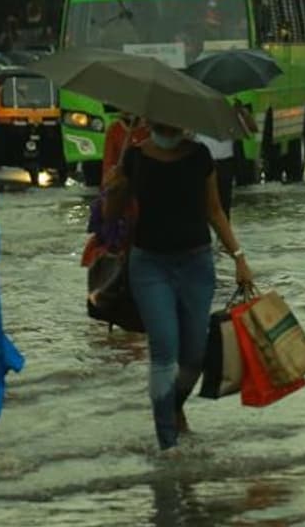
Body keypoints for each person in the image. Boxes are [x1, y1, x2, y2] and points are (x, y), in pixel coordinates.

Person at [104, 122, 253, 450]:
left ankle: (171, 407)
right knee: (164, 350)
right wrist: (113, 188)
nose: (165, 125)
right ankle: (167, 444)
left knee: (195, 354)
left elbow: (214, 211)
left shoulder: (200, 156)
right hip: (150, 266)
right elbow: (111, 215)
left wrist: (239, 257)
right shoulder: (134, 158)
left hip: (196, 266)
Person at [192, 100, 256, 220]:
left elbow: (252, 128)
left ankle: (222, 236)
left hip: (224, 163)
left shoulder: (230, 111)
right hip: (201, 162)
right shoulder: (195, 110)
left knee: (223, 207)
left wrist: (243, 112)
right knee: (201, 205)